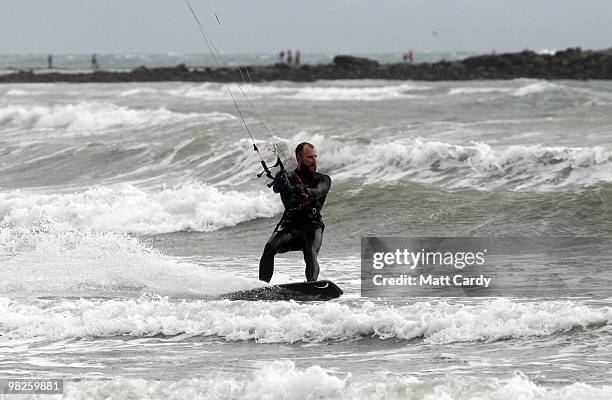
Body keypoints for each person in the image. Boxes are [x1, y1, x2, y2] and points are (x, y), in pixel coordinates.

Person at [259, 142, 331, 283]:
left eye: (315, 156)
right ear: (299, 157)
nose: (314, 160)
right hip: (290, 228)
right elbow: (276, 189)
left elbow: (320, 191)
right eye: (310, 157)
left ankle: (311, 285)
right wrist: (280, 182)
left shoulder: (323, 179)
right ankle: (262, 287)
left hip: (312, 228)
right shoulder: (287, 177)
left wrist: (306, 191)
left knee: (311, 253)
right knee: (270, 247)